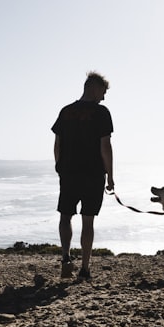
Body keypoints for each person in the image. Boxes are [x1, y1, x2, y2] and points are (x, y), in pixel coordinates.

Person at [51, 71, 115, 281]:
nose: (104, 97)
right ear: (93, 87)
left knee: (65, 216)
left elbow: (57, 145)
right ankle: (85, 268)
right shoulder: (102, 113)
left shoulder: (66, 111)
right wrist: (110, 176)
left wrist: (59, 167)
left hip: (68, 172)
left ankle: (65, 258)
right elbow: (105, 146)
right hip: (93, 173)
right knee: (88, 222)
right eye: (103, 92)